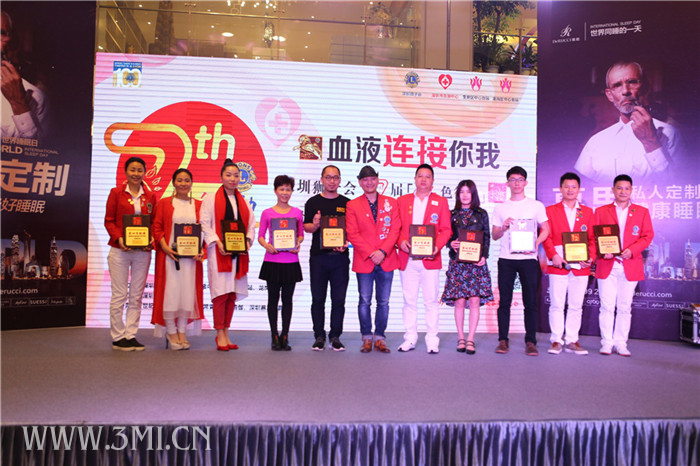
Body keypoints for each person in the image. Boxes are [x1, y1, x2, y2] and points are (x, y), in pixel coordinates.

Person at [574, 61, 678, 185]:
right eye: (617, 85)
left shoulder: (671, 134)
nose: (625, 91)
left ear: (645, 88)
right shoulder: (596, 142)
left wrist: (651, 142)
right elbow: (579, 187)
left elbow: (677, 185)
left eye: (632, 82)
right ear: (609, 95)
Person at [492, 166, 549, 356]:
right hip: (506, 259)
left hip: (529, 259)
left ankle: (530, 341)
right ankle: (503, 340)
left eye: (520, 179)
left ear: (526, 182)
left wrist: (535, 244)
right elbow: (494, 235)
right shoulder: (500, 207)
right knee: (504, 302)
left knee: (530, 301)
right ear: (507, 183)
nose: (516, 183)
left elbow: (546, 229)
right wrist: (503, 227)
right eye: (512, 180)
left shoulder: (536, 206)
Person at [594, 174, 654, 356]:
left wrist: (632, 250)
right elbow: (594, 236)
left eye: (626, 188)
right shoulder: (601, 211)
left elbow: (647, 236)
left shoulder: (641, 212)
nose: (623, 191)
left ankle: (621, 343)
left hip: (630, 264)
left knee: (625, 307)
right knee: (606, 306)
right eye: (619, 188)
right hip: (607, 264)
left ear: (631, 190)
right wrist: (602, 251)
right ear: (613, 190)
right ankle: (606, 342)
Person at [200, 159, 255, 351]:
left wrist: (248, 241)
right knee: (220, 294)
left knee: (231, 294)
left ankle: (226, 330)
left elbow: (251, 225)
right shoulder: (210, 199)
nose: (232, 179)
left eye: (236, 175)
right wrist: (217, 242)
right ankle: (219, 333)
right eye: (228, 175)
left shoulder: (244, 201)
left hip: (238, 254)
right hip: (219, 253)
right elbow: (205, 224)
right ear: (221, 177)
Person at [396, 164, 452, 354]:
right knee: (409, 300)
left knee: (431, 301)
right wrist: (400, 241)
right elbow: (395, 228)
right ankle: (410, 338)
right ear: (415, 179)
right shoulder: (402, 201)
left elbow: (446, 230)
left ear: (433, 181)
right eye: (420, 176)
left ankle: (432, 339)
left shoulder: (440, 202)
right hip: (407, 258)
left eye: (427, 176)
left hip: (430, 258)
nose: (423, 179)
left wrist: (437, 246)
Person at [345, 165, 401, 353]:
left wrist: (383, 251)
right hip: (365, 260)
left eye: (372, 178)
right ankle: (366, 337)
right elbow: (352, 233)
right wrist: (371, 253)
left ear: (378, 180)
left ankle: (380, 337)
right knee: (364, 300)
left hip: (387, 258)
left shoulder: (391, 203)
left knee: (383, 301)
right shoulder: (352, 205)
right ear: (360, 182)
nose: (369, 182)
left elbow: (395, 229)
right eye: (365, 179)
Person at [104, 156, 157, 351]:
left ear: (145, 172)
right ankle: (118, 337)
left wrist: (151, 239)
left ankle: (131, 334)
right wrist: (119, 238)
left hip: (142, 252)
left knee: (136, 295)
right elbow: (109, 220)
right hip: (120, 250)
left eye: (139, 170)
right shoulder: (116, 193)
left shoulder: (150, 196)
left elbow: (154, 223)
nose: (136, 173)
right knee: (119, 294)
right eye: (132, 170)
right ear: (126, 172)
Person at [542, 172, 596, 356]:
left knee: (576, 305)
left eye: (574, 187)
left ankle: (572, 340)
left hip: (581, 266)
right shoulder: (550, 211)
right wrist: (553, 255)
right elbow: (546, 236)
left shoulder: (588, 212)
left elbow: (592, 240)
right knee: (557, 304)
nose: (570, 190)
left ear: (579, 189)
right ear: (560, 188)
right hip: (558, 264)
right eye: (567, 186)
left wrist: (590, 258)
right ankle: (556, 340)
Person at [151, 168, 204, 351]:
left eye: (187, 180)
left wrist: (201, 250)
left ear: (192, 183)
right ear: (173, 182)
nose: (183, 184)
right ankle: (171, 331)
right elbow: (157, 228)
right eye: (179, 180)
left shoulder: (199, 205)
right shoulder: (164, 203)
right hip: (170, 257)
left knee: (187, 295)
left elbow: (204, 230)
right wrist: (165, 248)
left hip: (191, 260)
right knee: (170, 294)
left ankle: (182, 331)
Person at [441, 180, 493, 355]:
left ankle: (471, 339)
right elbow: (445, 234)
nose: (464, 195)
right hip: (458, 263)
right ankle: (461, 338)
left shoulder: (481, 214)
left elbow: (486, 237)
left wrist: (484, 256)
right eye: (461, 192)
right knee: (460, 301)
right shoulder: (451, 214)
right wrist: (450, 243)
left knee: (475, 300)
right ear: (458, 195)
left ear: (473, 194)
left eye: (468, 192)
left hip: (476, 264)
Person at [303, 165, 350, 351]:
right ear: (322, 179)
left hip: (340, 259)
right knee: (318, 299)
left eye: (335, 177)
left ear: (340, 180)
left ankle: (335, 336)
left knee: (339, 300)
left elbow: (352, 231)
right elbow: (306, 227)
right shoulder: (312, 202)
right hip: (318, 258)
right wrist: (315, 224)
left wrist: (347, 243)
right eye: (328, 177)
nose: (332, 181)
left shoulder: (347, 203)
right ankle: (319, 336)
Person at [257, 175, 304, 351]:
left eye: (288, 189)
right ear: (275, 191)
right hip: (273, 261)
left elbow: (300, 234)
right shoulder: (267, 213)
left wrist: (297, 243)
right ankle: (274, 335)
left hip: (291, 261)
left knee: (287, 301)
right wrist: (266, 246)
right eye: (281, 189)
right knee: (272, 300)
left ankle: (285, 335)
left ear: (292, 191)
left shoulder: (297, 213)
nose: (285, 192)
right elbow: (261, 236)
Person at [1, 11, 48, 139]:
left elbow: (37, 148)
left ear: (7, 40)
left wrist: (18, 104)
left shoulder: (36, 99)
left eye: (1, 33)